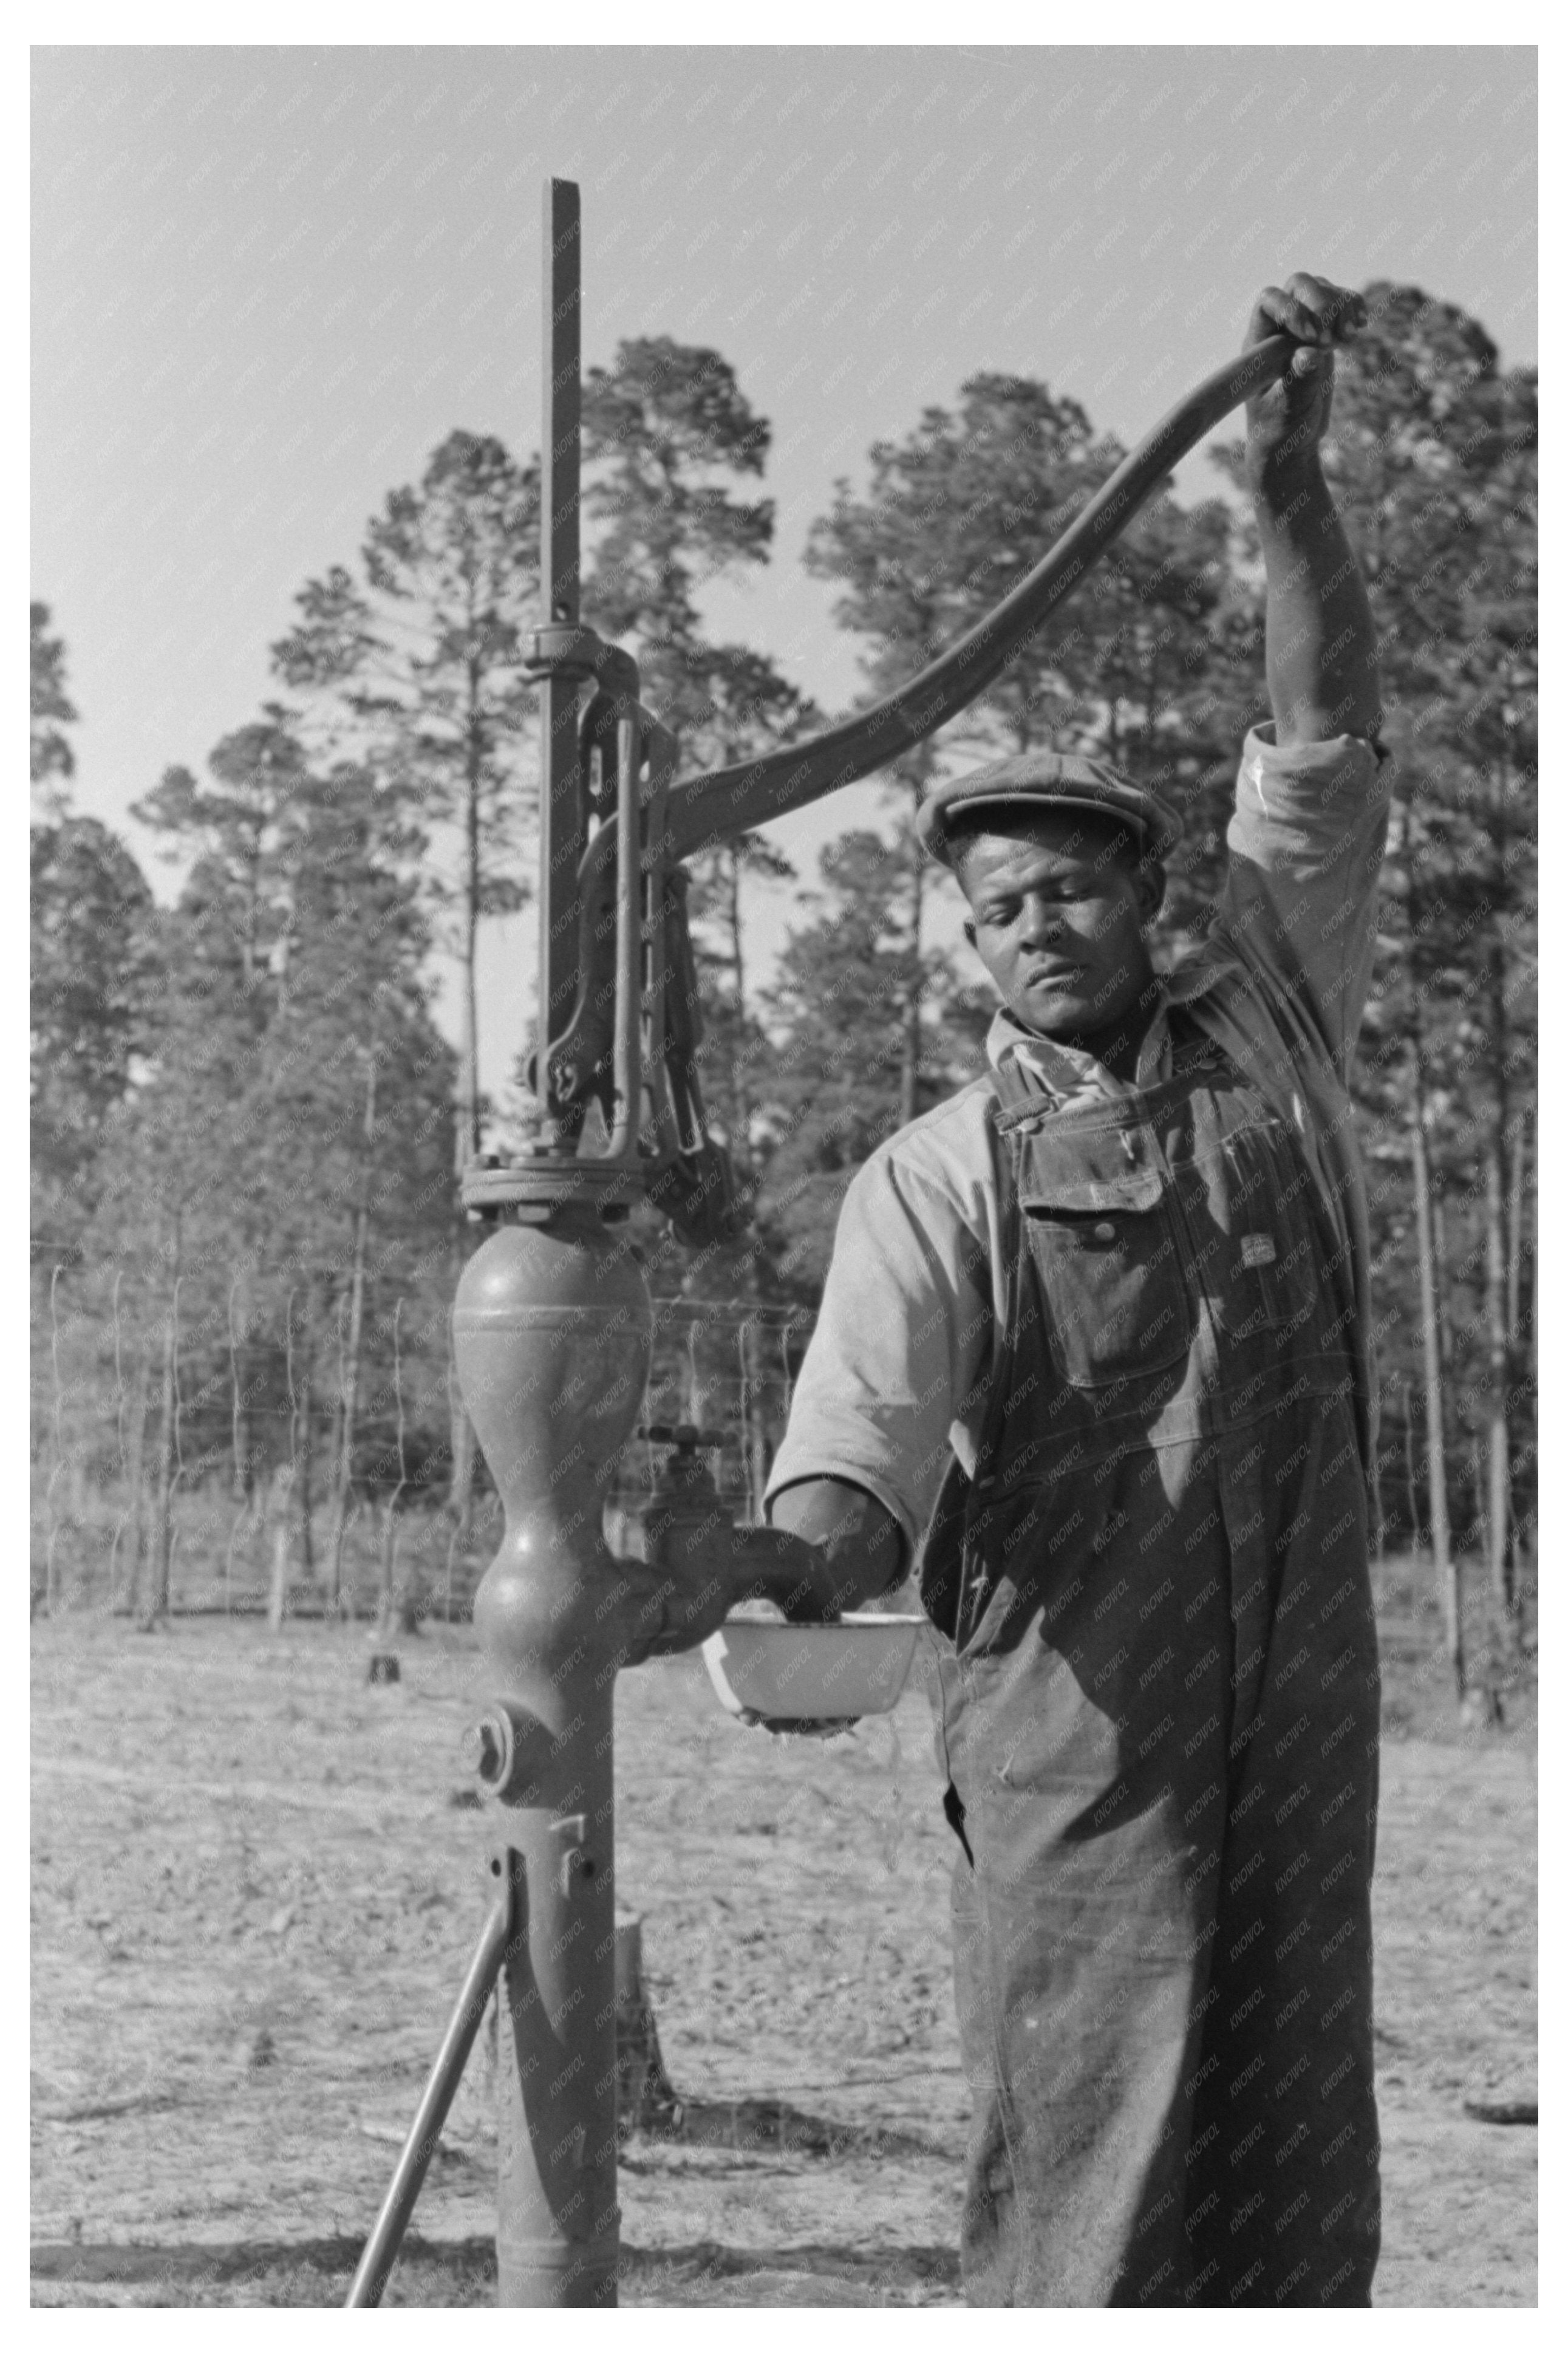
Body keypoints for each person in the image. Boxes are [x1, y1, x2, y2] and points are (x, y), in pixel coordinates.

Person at [761, 273, 1389, 2306]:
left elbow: (1323, 746)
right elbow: (858, 1453)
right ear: (969, 943)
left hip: (1301, 1712)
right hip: (1075, 1745)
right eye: (998, 909)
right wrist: (761, 1566)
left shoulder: (1274, 1029)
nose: (1036, 927)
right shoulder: (935, 1173)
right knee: (1090, 2182)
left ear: (1149, 893)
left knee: (1296, 2171)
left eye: (1072, 888)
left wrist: (1287, 494)